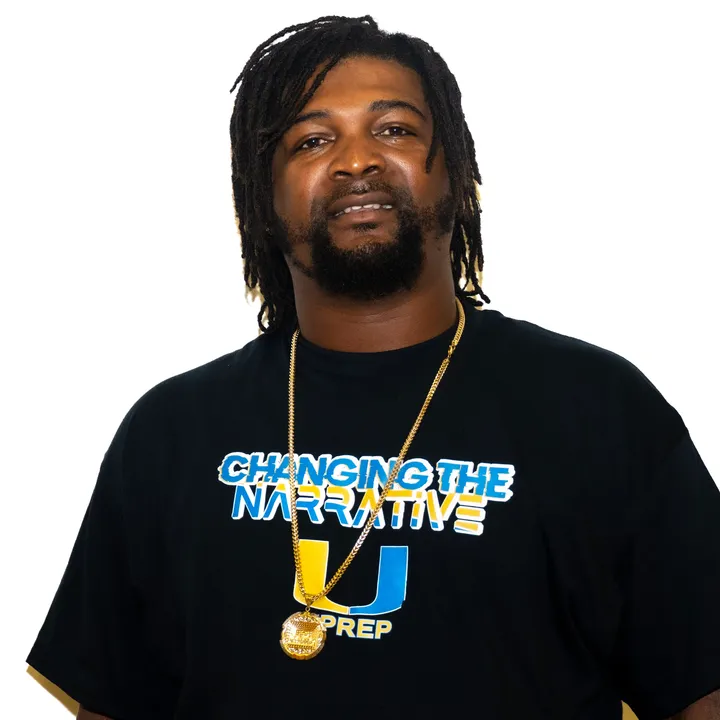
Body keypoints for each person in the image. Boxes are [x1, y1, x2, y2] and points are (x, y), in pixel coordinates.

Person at [27, 15, 720, 720]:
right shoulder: (170, 432)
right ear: (261, 201)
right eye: (312, 140)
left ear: (458, 174)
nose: (356, 160)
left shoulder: (598, 409)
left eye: (394, 130)